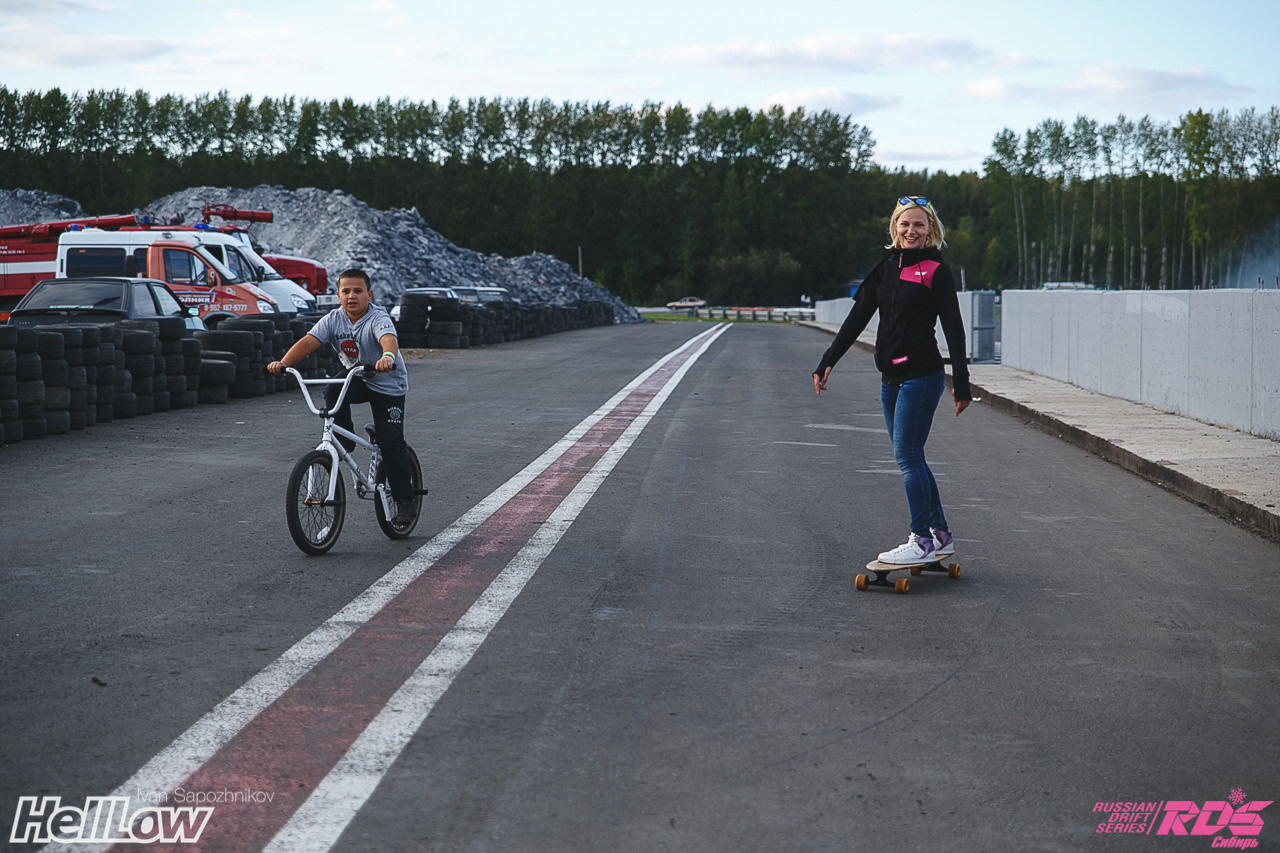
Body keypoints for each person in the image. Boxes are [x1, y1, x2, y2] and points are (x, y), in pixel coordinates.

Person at [812, 196, 972, 564]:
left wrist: (961, 384)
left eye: (919, 224)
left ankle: (920, 539)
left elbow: (954, 329)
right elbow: (857, 318)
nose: (911, 231)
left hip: (922, 375)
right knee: (912, 457)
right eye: (905, 224)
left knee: (908, 458)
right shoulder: (885, 267)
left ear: (930, 228)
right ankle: (940, 534)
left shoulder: (936, 270)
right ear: (894, 228)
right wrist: (827, 361)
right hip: (890, 379)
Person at [268, 268, 416, 525]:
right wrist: (283, 363)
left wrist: (387, 358)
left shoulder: (378, 318)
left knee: (392, 444)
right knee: (333, 389)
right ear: (337, 295)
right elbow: (308, 341)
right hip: (357, 376)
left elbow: (388, 340)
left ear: (369, 295)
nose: (352, 296)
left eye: (358, 291)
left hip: (387, 383)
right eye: (346, 291)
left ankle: (405, 500)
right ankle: (344, 439)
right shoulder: (334, 319)